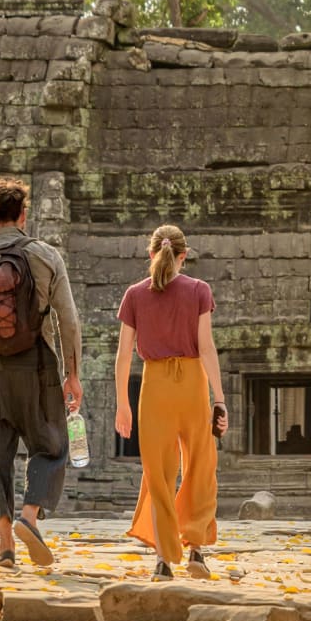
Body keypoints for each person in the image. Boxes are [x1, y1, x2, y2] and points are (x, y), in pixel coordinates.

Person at [0, 178, 83, 569]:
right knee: (52, 445)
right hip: (37, 366)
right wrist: (72, 373)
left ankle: (6, 547)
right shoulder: (44, 257)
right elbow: (68, 320)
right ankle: (29, 516)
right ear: (23, 215)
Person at [114, 225, 228, 581]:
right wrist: (220, 400)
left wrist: (123, 404)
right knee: (199, 464)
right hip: (193, 383)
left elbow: (123, 356)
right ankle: (195, 549)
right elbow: (207, 348)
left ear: (151, 254)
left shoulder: (134, 294)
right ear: (184, 255)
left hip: (155, 387)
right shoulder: (198, 290)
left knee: (158, 474)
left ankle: (164, 559)